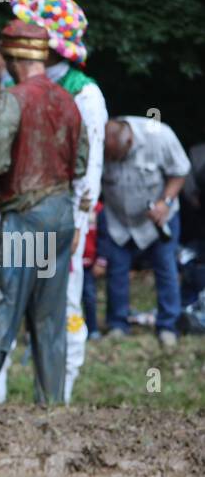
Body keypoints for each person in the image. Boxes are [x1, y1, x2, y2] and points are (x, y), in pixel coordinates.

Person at [0, 21, 87, 405]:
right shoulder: (69, 100)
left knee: (0, 307)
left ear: (14, 58)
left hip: (24, 216)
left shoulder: (10, 99)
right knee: (50, 319)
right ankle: (51, 406)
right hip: (61, 215)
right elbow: (80, 164)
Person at [0, 0, 108, 400]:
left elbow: (90, 168)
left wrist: (79, 223)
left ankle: (57, 396)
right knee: (5, 298)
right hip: (16, 212)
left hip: (63, 218)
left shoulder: (85, 93)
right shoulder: (16, 82)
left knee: (64, 304)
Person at [97, 116, 189, 348]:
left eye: (114, 156)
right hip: (119, 220)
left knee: (165, 268)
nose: (109, 160)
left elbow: (180, 171)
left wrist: (165, 202)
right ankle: (118, 324)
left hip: (157, 219)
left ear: (128, 143)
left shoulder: (159, 136)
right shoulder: (97, 142)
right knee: (116, 271)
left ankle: (168, 325)